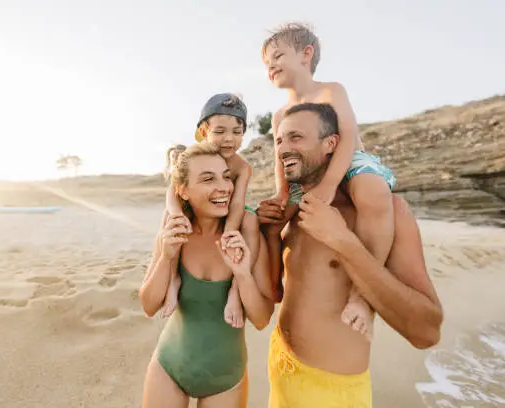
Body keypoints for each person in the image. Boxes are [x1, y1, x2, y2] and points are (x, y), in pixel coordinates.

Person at [257, 103, 443, 407]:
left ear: (331, 144)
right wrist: (272, 236)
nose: (284, 149)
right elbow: (277, 293)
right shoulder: (298, 207)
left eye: (296, 138)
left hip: (332, 394)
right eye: (279, 141)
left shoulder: (386, 213)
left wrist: (343, 241)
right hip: (280, 367)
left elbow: (427, 331)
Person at [262, 22, 397, 339]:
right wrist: (283, 193)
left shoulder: (331, 91)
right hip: (306, 175)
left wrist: (328, 186)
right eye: (266, 63)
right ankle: (273, 284)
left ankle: (362, 296)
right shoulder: (280, 114)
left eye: (278, 56)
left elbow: (348, 139)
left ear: (306, 54)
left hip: (347, 163)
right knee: (270, 217)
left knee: (373, 192)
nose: (270, 66)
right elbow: (281, 157)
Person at [140, 143, 274, 407]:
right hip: (168, 366)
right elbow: (148, 305)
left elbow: (260, 319)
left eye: (226, 176)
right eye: (208, 179)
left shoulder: (246, 235)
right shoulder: (174, 231)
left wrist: (242, 274)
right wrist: (166, 257)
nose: (224, 187)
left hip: (225, 378)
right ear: (183, 190)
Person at [160, 93, 261, 329]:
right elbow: (172, 192)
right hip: (200, 207)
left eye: (237, 132)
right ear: (203, 132)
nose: (229, 139)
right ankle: (174, 279)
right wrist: (176, 215)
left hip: (228, 209)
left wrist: (230, 232)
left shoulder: (242, 167)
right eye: (220, 131)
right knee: (173, 223)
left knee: (251, 222)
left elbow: (237, 202)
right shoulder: (194, 157)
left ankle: (236, 291)